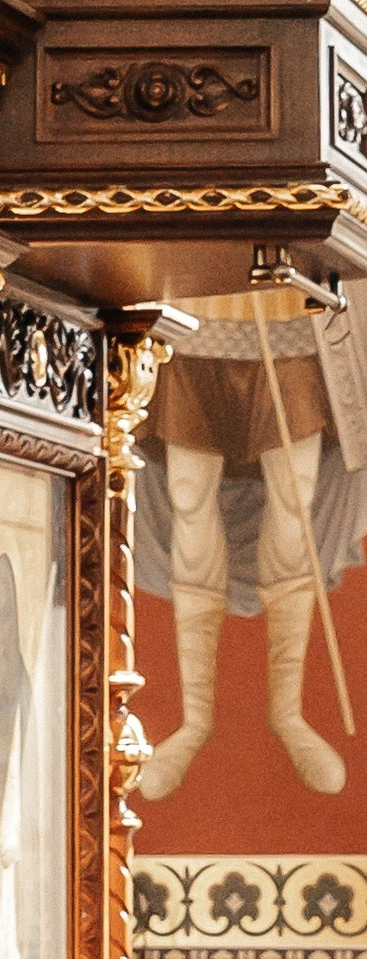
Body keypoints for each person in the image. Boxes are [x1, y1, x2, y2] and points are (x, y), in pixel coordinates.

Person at [141, 290, 367, 795]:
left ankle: (288, 713)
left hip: (292, 313)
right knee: (188, 493)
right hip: (192, 308)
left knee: (296, 494)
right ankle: (195, 720)